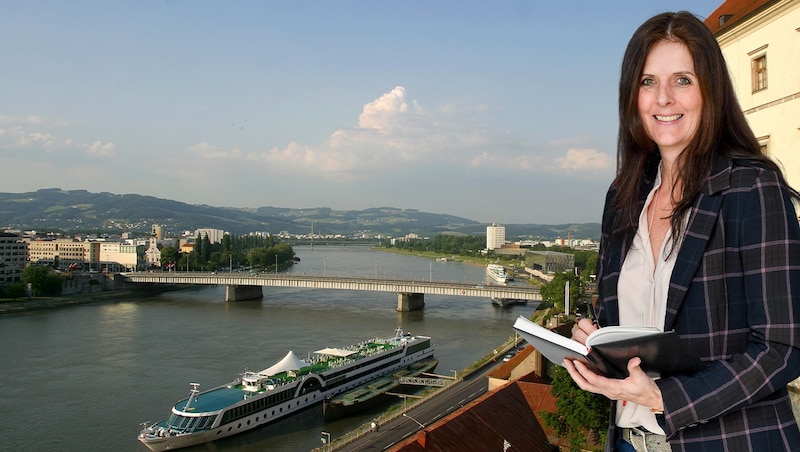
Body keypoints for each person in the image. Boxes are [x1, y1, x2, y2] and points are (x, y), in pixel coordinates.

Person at [564, 11, 800, 451]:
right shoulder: (623, 197)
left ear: (710, 91)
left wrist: (663, 398)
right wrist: (595, 345)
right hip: (630, 442)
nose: (664, 99)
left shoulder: (750, 185)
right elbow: (638, 324)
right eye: (648, 82)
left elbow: (782, 347)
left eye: (683, 80)